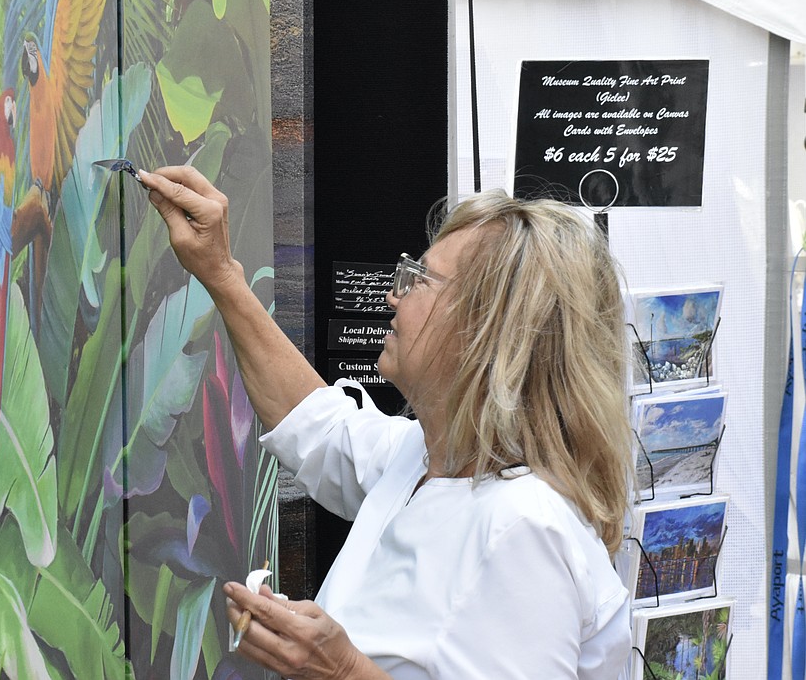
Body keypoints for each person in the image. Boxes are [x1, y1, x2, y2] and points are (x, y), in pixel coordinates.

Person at [140, 166, 634, 680]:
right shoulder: (425, 458)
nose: (394, 295)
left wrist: (343, 671)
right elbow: (316, 426)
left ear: (488, 330)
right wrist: (221, 273)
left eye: (420, 279)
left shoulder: (524, 528)